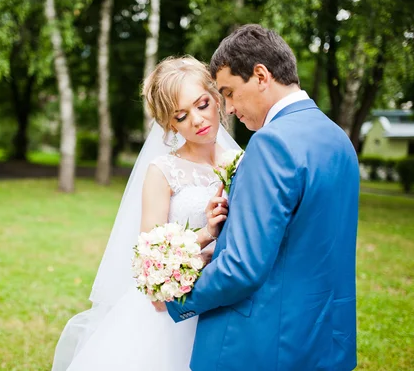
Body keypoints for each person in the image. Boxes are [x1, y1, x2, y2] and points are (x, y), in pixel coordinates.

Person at [157, 24, 359, 371]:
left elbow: (241, 269)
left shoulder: (270, 144)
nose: (230, 108)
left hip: (262, 344)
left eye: (230, 93)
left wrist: (177, 298)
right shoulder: (338, 139)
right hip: (326, 341)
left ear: (261, 76)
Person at [51, 55, 238, 371]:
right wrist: (207, 233)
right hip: (170, 315)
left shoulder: (242, 161)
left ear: (216, 97)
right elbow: (151, 263)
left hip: (228, 303)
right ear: (169, 124)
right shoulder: (163, 171)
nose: (196, 120)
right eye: (181, 116)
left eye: (202, 104)